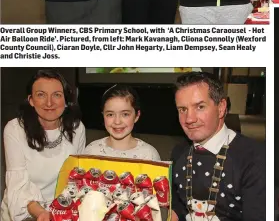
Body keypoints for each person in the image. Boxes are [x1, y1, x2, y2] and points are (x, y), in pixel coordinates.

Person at [169, 72, 265, 220]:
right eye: (182, 109)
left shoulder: (254, 158)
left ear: (221, 108)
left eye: (200, 107)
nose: (189, 119)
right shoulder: (179, 152)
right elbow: (177, 208)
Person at [1, 69, 86, 221]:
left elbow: (77, 177)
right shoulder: (14, 129)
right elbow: (18, 183)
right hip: (25, 210)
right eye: (41, 95)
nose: (49, 103)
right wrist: (41, 213)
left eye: (57, 95)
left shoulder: (77, 128)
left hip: (63, 211)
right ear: (31, 100)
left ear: (65, 101)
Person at [82, 85, 161, 160]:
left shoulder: (149, 155)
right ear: (103, 115)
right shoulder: (91, 152)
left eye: (125, 114)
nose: (117, 122)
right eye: (110, 114)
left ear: (137, 116)